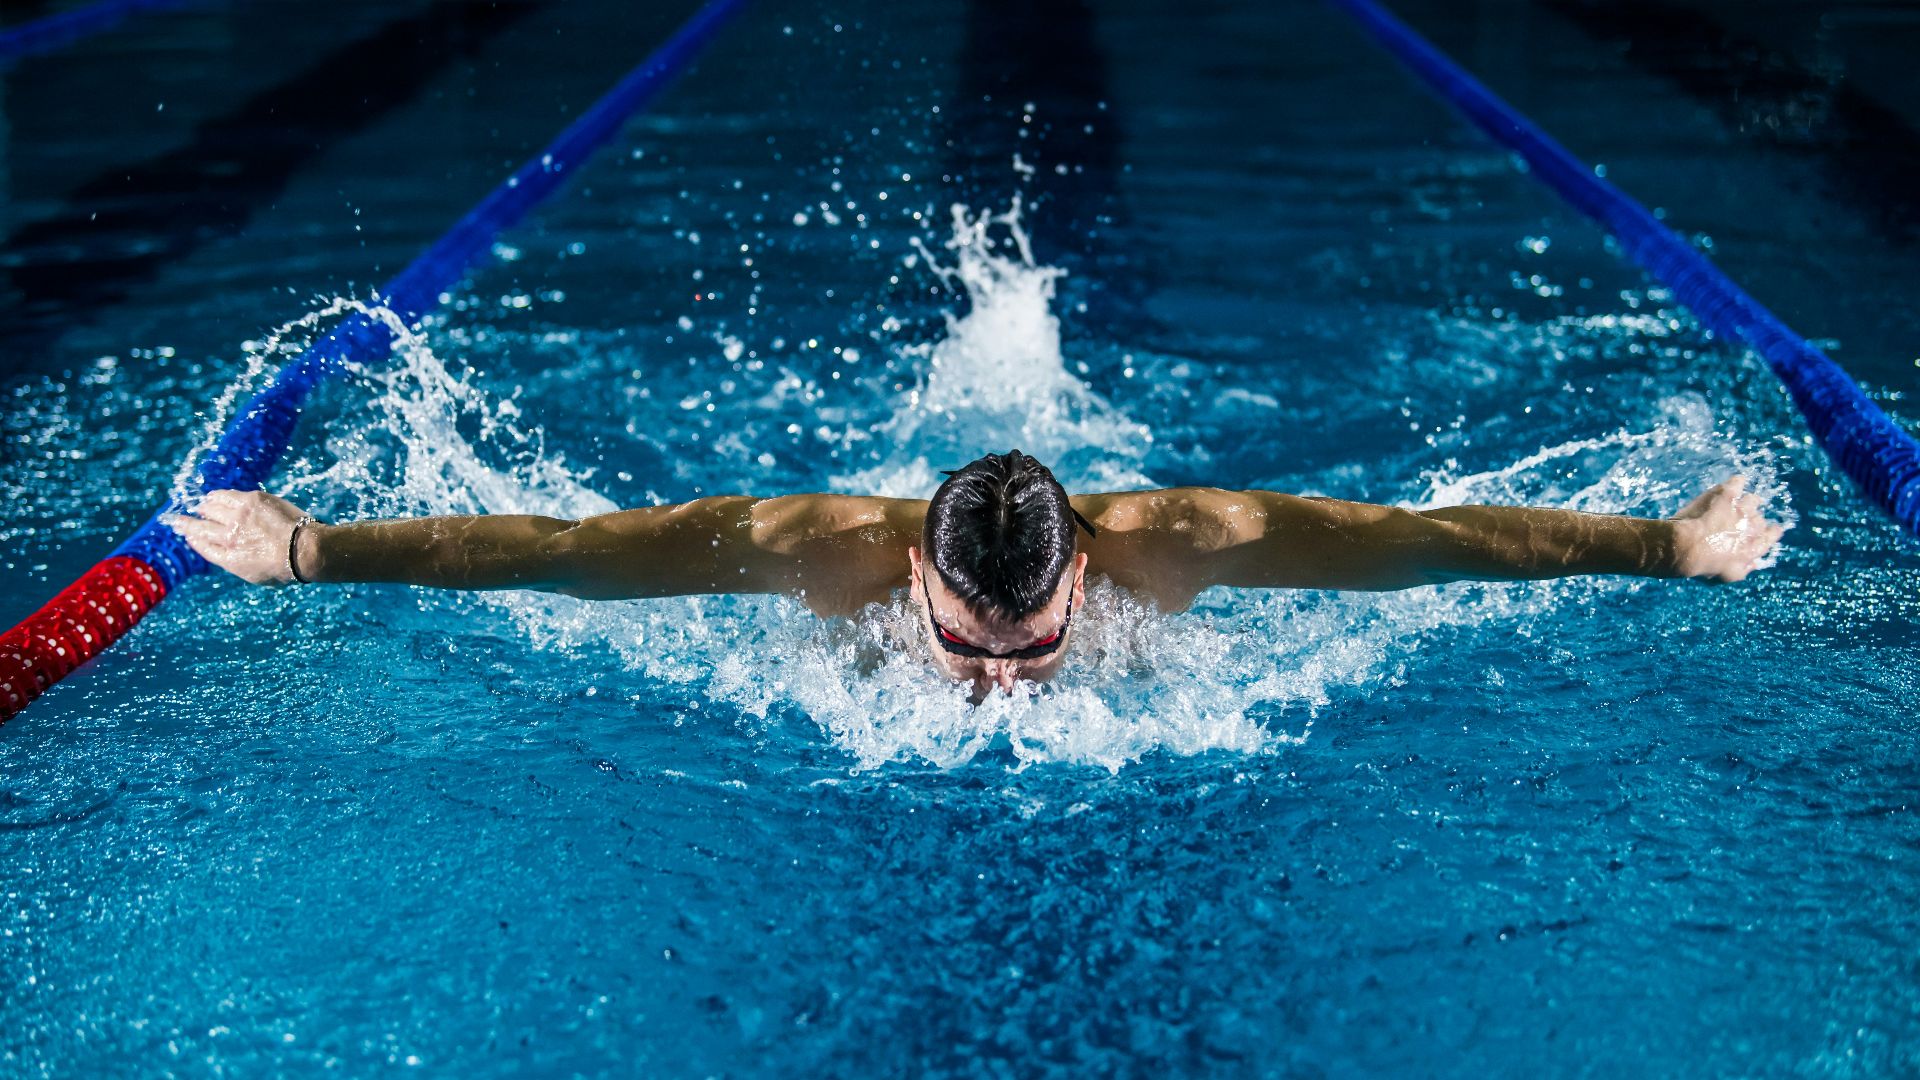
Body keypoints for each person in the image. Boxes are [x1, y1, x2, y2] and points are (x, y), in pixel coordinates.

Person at [166, 450, 1784, 699]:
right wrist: (312, 550)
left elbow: (1434, 543)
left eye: (1029, 648)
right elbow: (572, 558)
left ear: (1089, 564)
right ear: (914, 579)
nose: (993, 684)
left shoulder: (1193, 542)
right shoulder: (812, 554)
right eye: (964, 641)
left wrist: (1671, 547)